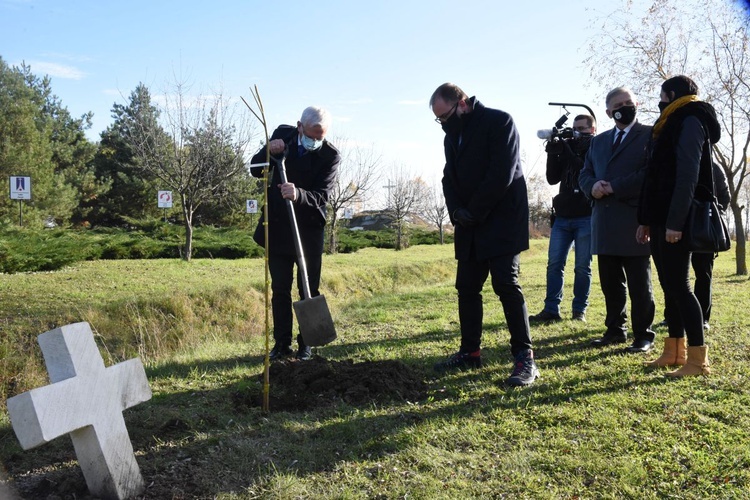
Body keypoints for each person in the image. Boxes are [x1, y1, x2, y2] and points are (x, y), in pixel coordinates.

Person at [429, 82, 539, 387]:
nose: (443, 124)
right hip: (468, 223)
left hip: (500, 219)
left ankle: (524, 358)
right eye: (438, 119)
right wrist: (456, 212)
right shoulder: (453, 135)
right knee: (466, 287)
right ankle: (470, 351)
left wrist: (474, 211)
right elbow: (448, 176)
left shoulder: (498, 121)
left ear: (462, 103)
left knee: (506, 284)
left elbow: (501, 173)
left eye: (445, 116)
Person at [637, 75, 721, 377]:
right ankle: (674, 351)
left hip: (678, 220)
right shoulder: (670, 123)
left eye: (661, 95)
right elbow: (657, 176)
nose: (659, 102)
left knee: (681, 287)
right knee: (670, 286)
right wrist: (646, 219)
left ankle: (698, 361)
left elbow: (687, 177)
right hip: (660, 218)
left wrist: (675, 223)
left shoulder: (689, 121)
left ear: (671, 94)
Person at [250, 106, 340, 361]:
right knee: (280, 288)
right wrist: (269, 149)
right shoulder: (282, 135)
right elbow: (255, 168)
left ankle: (306, 344)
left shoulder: (330, 155)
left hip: (308, 230)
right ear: (300, 126)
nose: (316, 142)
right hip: (278, 227)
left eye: (321, 137)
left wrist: (299, 194)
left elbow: (323, 195)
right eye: (312, 136)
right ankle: (281, 344)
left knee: (308, 288)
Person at [579, 87, 656, 353]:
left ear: (637, 104)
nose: (624, 107)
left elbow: (650, 174)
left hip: (635, 221)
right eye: (618, 104)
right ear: (608, 111)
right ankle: (615, 330)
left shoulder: (649, 135)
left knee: (639, 284)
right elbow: (584, 172)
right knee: (610, 284)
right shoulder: (598, 141)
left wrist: (614, 186)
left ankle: (643, 334)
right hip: (604, 222)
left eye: (629, 102)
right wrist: (593, 186)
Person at [529, 114, 596, 324]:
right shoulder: (566, 147)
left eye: (580, 129)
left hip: (585, 215)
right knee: (554, 264)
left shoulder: (595, 147)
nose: (575, 132)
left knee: (582, 266)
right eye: (573, 128)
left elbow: (580, 166)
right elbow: (552, 178)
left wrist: (565, 148)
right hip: (563, 216)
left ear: (592, 130)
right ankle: (551, 309)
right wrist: (552, 151)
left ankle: (579, 311)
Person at [657, 162, 730, 331]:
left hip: (702, 230)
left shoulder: (713, 167)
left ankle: (703, 317)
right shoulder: (677, 164)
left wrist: (709, 216)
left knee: (703, 274)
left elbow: (724, 197)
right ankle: (672, 316)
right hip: (679, 228)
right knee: (675, 275)